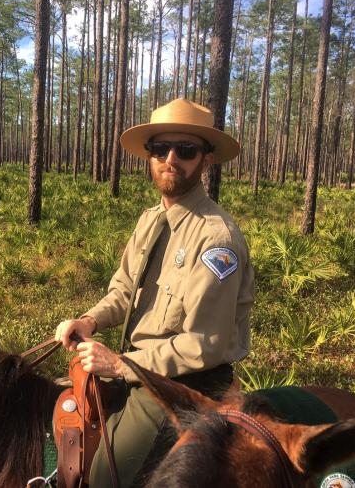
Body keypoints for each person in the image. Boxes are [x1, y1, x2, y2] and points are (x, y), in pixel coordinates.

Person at [55, 98, 255, 487]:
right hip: (142, 368)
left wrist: (120, 365)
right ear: (149, 156)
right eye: (160, 149)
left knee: (99, 480)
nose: (170, 159)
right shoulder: (151, 220)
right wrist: (90, 319)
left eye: (186, 150)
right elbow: (124, 288)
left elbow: (205, 345)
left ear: (205, 162)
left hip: (185, 383)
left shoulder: (216, 239)